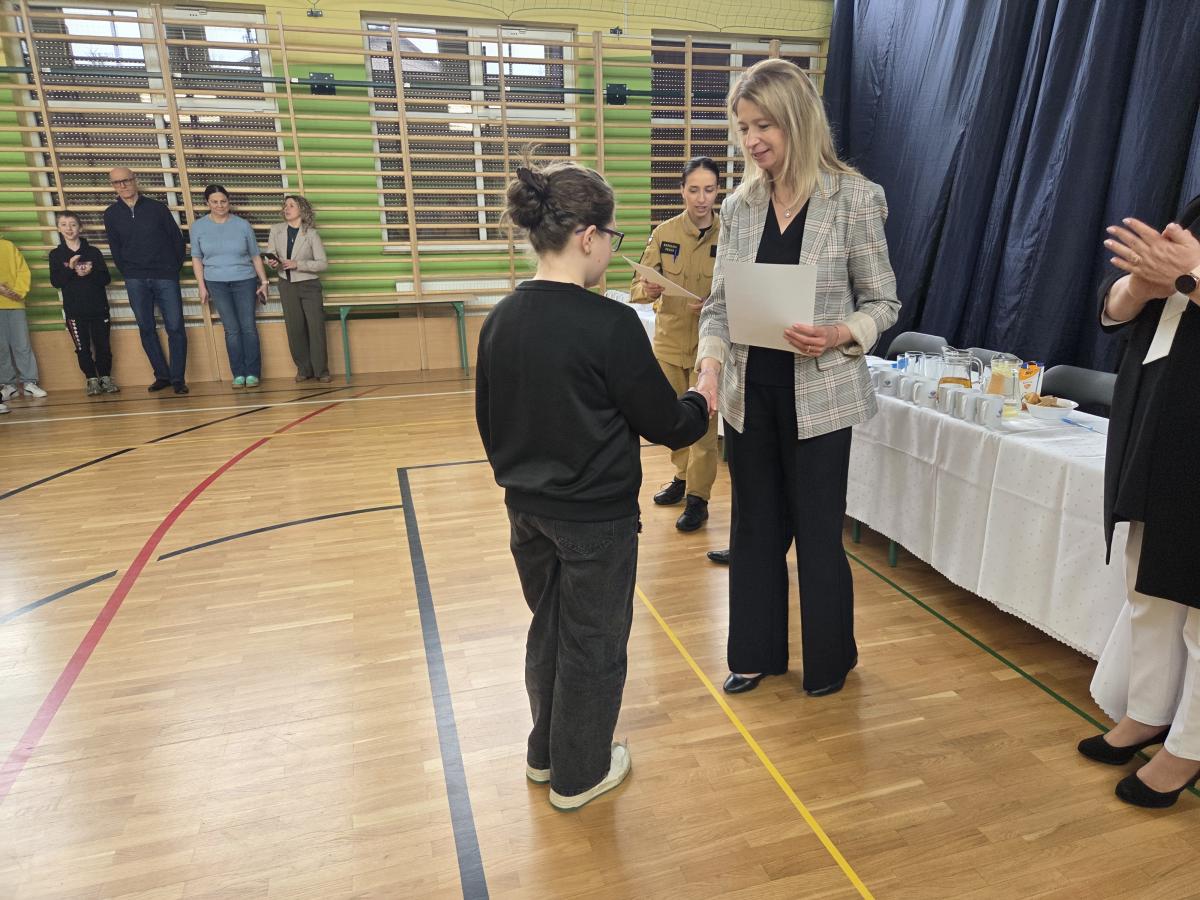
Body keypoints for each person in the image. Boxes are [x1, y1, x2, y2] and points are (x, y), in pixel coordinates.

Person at [476, 159, 711, 811]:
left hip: (526, 513)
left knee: (550, 628)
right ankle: (579, 774)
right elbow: (668, 425)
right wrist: (703, 395)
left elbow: (489, 423)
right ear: (587, 236)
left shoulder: (500, 319)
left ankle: (546, 753)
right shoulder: (609, 325)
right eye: (611, 235)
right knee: (594, 645)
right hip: (596, 522)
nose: (613, 248)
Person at [694, 59, 900, 697]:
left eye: (764, 125)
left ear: (798, 121)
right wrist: (708, 369)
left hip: (823, 398)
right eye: (743, 127)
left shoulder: (855, 199)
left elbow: (884, 303)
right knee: (754, 528)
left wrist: (840, 333)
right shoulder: (739, 206)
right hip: (749, 397)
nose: (752, 140)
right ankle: (754, 653)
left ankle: (830, 660)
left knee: (817, 533)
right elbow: (719, 307)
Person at [1078, 195, 1200, 809]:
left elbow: (1188, 280)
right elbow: (1118, 310)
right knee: (1147, 581)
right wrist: (1137, 287)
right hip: (1159, 409)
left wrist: (1190, 276)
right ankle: (1150, 711)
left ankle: (1192, 744)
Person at [631, 157, 723, 532]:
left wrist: (717, 301)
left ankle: (699, 499)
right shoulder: (664, 233)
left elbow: (743, 290)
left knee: (703, 428)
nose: (701, 198)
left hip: (709, 350)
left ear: (718, 191)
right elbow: (637, 287)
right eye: (694, 189)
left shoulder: (731, 235)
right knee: (673, 421)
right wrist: (648, 288)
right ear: (682, 190)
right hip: (669, 345)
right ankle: (682, 479)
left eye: (709, 190)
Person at [103, 167, 188, 394]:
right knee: (146, 328)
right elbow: (115, 248)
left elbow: (177, 240)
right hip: (135, 278)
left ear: (135, 180)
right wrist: (129, 272)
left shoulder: (157, 208)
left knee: (175, 327)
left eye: (126, 180)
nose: (123, 185)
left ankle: (178, 379)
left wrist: (172, 269)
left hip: (165, 276)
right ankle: (162, 376)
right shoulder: (111, 214)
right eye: (117, 182)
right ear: (113, 186)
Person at [190, 185, 269, 388]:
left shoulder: (242, 225)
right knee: (231, 330)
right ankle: (238, 373)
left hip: (245, 280)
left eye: (223, 201)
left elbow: (255, 255)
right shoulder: (198, 227)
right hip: (216, 283)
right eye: (214, 202)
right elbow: (196, 258)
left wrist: (264, 281)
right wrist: (201, 286)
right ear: (207, 203)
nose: (220, 205)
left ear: (229, 202)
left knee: (248, 327)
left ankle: (252, 373)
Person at [49, 211, 118, 396]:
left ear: (80, 228)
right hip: (74, 311)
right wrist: (71, 269)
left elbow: (106, 279)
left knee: (103, 346)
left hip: (98, 308)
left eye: (73, 224)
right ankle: (92, 379)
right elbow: (56, 282)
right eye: (64, 225)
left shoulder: (93, 252)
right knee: (82, 348)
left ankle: (105, 377)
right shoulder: (56, 255)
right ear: (58, 228)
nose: (69, 228)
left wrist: (90, 272)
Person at [266, 195, 330, 382]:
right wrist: (271, 262)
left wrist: (297, 264)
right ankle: (303, 369)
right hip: (286, 285)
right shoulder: (276, 230)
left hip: (309, 285)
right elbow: (270, 255)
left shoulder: (311, 234)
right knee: (295, 329)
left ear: (302, 210)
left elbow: (322, 263)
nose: (286, 208)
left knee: (316, 328)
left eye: (291, 205)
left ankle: (321, 371)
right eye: (285, 205)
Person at [0, 234, 45, 411]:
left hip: (14, 303)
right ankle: (8, 385)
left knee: (22, 344)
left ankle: (29, 382)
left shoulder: (8, 246)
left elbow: (23, 271)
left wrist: (17, 292)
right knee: (1, 347)